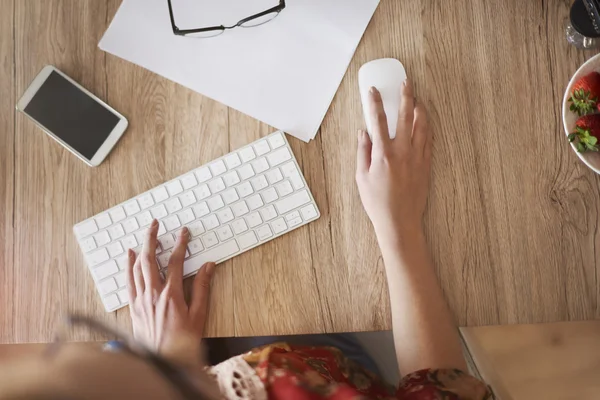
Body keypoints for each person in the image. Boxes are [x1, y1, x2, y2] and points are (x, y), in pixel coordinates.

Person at [0, 81, 491, 399]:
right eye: (167, 383)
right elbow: (440, 389)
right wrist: (399, 223)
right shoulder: (289, 386)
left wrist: (171, 351)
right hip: (332, 370)